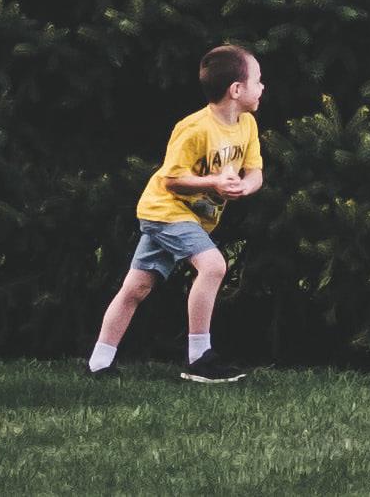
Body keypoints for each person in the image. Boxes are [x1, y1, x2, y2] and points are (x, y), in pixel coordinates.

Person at [89, 41, 267, 385]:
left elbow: (255, 173)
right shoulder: (195, 128)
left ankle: (98, 364)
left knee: (137, 287)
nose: (262, 87)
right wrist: (214, 182)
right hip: (164, 210)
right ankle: (200, 358)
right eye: (257, 80)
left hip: (188, 217)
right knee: (213, 265)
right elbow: (171, 180)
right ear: (236, 90)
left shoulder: (247, 125)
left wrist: (244, 187)